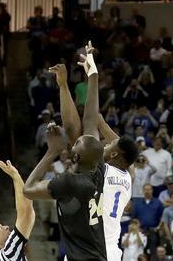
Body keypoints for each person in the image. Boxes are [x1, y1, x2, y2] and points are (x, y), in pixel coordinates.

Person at [51, 43, 140, 260]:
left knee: (78, 136)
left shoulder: (101, 169)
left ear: (113, 155)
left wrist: (92, 74)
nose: (105, 144)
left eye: (108, 146)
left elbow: (82, 125)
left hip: (89, 250)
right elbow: (120, 145)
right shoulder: (128, 176)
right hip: (109, 250)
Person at [22, 120, 106, 260]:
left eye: (76, 143)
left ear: (76, 157)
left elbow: (28, 189)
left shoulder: (69, 182)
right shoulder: (99, 171)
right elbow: (91, 125)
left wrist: (52, 151)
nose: (73, 142)